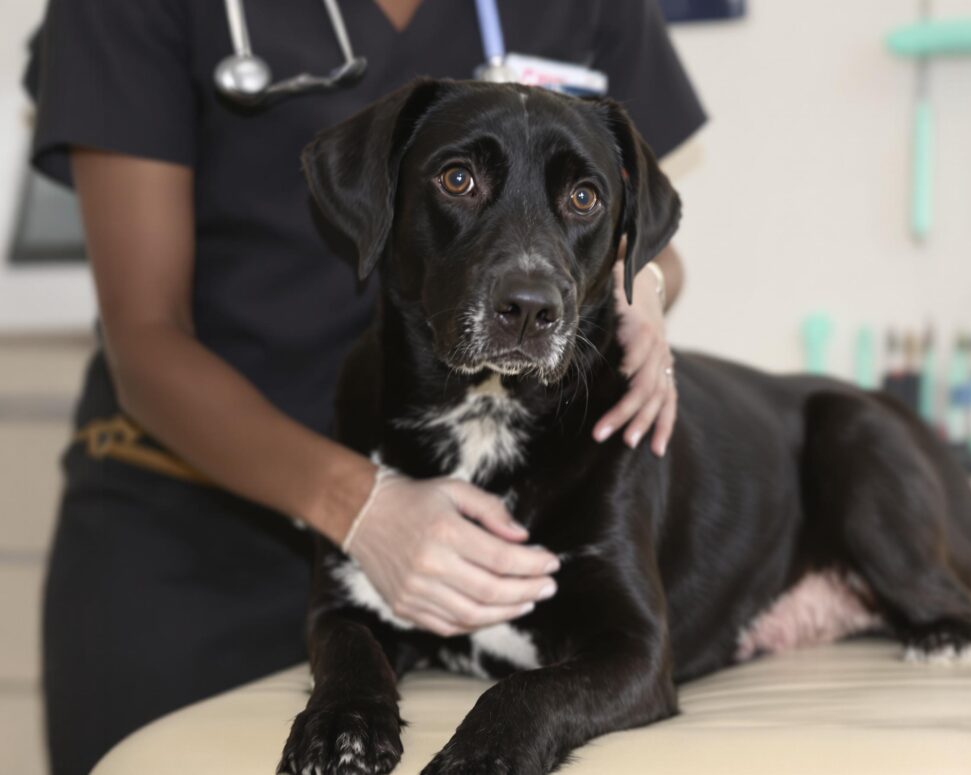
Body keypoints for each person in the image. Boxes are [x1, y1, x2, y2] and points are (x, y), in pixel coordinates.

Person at [23, 1, 706, 773]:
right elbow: (143, 336)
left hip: (471, 519)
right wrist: (362, 504)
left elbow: (634, 232)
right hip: (194, 531)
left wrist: (642, 280)